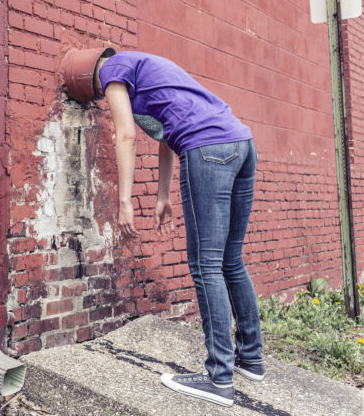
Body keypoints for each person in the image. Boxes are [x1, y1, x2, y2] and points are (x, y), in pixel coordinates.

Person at [94, 50, 265, 407]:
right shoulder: (156, 72)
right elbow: (166, 135)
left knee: (206, 265)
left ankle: (219, 377)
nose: (106, 95)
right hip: (242, 144)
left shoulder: (112, 69)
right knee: (231, 260)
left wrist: (124, 201)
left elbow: (126, 136)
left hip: (208, 149)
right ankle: (251, 358)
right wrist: (162, 195)